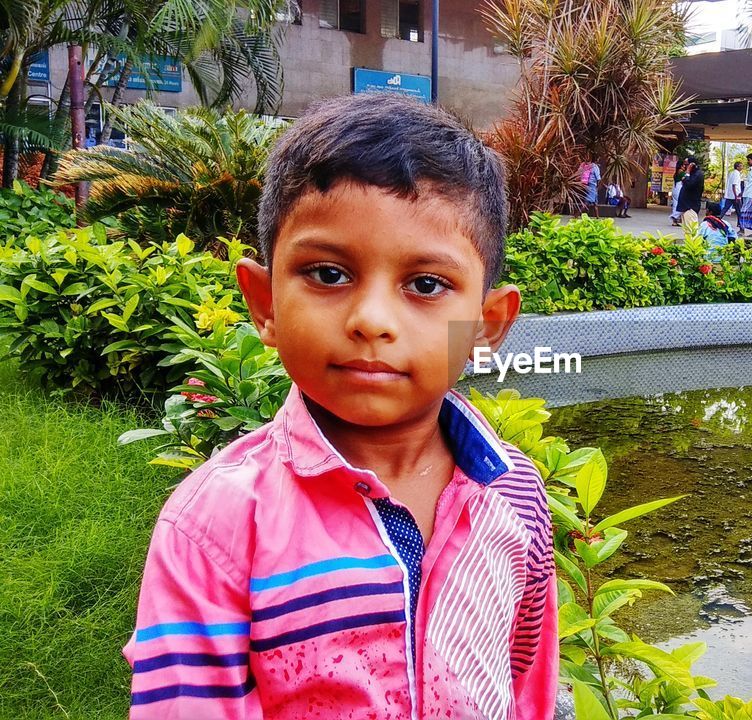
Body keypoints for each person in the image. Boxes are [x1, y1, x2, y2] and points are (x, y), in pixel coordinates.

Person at [125, 94, 557, 719]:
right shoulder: (216, 527)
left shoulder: (515, 494)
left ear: (486, 325)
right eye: (329, 274)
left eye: (427, 284)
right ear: (265, 302)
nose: (372, 320)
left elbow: (525, 688)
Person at [669, 159, 686, 226]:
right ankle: (675, 216)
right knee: (682, 205)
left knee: (675, 205)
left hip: (674, 189)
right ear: (681, 166)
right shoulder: (682, 173)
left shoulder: (675, 173)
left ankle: (675, 221)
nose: (685, 166)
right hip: (679, 190)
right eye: (683, 165)